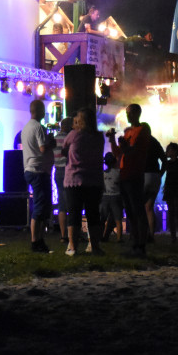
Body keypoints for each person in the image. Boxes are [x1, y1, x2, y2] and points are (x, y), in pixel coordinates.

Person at [107, 103, 151, 256]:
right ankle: (136, 244)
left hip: (134, 174)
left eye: (130, 112)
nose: (128, 115)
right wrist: (112, 140)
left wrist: (124, 146)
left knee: (137, 210)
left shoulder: (143, 129)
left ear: (138, 113)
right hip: (125, 174)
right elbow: (119, 154)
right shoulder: (128, 132)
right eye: (127, 112)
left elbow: (132, 151)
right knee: (131, 212)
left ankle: (141, 245)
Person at [62, 108, 106, 256]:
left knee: (74, 213)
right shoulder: (99, 137)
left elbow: (63, 150)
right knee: (93, 214)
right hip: (94, 179)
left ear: (80, 121)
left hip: (74, 178)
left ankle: (73, 247)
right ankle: (94, 246)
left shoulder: (73, 135)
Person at [22, 99, 56, 253]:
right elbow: (43, 148)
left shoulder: (26, 128)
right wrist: (52, 143)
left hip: (30, 169)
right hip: (39, 171)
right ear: (41, 111)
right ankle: (35, 241)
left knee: (42, 206)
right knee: (40, 207)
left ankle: (39, 240)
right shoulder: (38, 127)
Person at [142, 123, 167, 239]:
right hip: (155, 177)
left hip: (144, 175)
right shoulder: (155, 142)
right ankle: (151, 235)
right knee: (149, 207)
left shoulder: (140, 141)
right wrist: (160, 174)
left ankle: (140, 234)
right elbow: (164, 160)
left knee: (140, 206)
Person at [53, 117, 74, 243]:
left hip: (57, 171)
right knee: (71, 203)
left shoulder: (55, 139)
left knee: (61, 204)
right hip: (68, 171)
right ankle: (72, 234)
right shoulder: (69, 139)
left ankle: (63, 235)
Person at [163, 142, 178, 243]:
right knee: (171, 213)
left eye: (170, 150)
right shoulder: (167, 163)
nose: (168, 152)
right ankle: (173, 237)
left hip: (177, 188)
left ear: (175, 151)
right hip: (169, 189)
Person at [100, 152, 124, 242]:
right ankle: (119, 238)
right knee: (118, 219)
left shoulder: (103, 173)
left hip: (105, 197)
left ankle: (100, 236)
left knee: (102, 218)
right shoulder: (119, 172)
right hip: (116, 196)